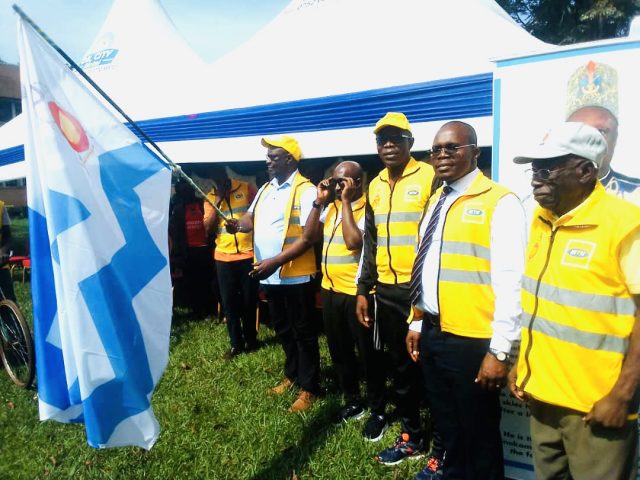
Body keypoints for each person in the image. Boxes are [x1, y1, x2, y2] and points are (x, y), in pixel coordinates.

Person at [509, 121, 640, 480]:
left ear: (585, 171)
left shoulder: (625, 224)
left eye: (547, 170)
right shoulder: (541, 220)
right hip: (542, 397)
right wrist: (523, 364)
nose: (536, 180)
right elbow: (543, 307)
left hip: (595, 406)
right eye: (534, 170)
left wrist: (622, 395)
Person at [406, 121, 526, 480]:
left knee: (479, 433)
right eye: (436, 149)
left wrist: (499, 352)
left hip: (473, 341)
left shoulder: (500, 202)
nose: (442, 155)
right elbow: (425, 265)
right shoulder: (436, 200)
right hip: (433, 331)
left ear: (475, 152)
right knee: (449, 427)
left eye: (452, 147)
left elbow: (512, 281)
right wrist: (416, 321)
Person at [355, 112, 436, 464]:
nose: (388, 145)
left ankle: (442, 442)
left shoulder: (430, 176)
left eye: (395, 138)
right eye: (382, 140)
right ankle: (411, 435)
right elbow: (370, 241)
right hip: (386, 292)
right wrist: (364, 288)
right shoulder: (374, 184)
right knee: (400, 367)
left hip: (421, 291)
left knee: (431, 367)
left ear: (410, 142)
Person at [226, 135, 320, 413]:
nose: (267, 161)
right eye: (268, 156)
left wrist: (276, 262)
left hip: (295, 275)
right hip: (269, 275)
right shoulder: (266, 188)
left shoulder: (306, 190)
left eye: (273, 157)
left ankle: (310, 387)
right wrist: (238, 225)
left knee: (304, 332)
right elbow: (250, 217)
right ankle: (292, 375)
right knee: (283, 329)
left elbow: (309, 237)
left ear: (289, 159)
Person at [303, 160, 386, 425]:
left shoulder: (365, 208)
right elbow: (310, 236)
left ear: (357, 182)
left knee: (368, 354)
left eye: (342, 182)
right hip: (330, 290)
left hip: (356, 293)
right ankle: (353, 401)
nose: (337, 187)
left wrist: (347, 202)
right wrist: (319, 201)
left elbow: (353, 242)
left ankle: (378, 408)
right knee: (340, 351)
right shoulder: (331, 207)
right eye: (334, 181)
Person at [565, 60, 640, 204]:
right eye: (578, 130)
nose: (589, 140)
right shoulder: (539, 202)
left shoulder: (636, 198)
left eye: (601, 131)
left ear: (615, 138)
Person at [203, 165, 258, 359]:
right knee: (229, 303)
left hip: (248, 254)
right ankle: (236, 343)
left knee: (249, 300)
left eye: (220, 172)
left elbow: (258, 215)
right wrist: (218, 199)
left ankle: (251, 339)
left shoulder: (246, 188)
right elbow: (208, 229)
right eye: (213, 175)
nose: (218, 177)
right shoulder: (210, 197)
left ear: (225, 171)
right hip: (223, 258)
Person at [0, 199, 15, 302]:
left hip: (0, 263)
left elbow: (8, 237)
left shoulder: (1, 207)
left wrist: (3, 251)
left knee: (9, 300)